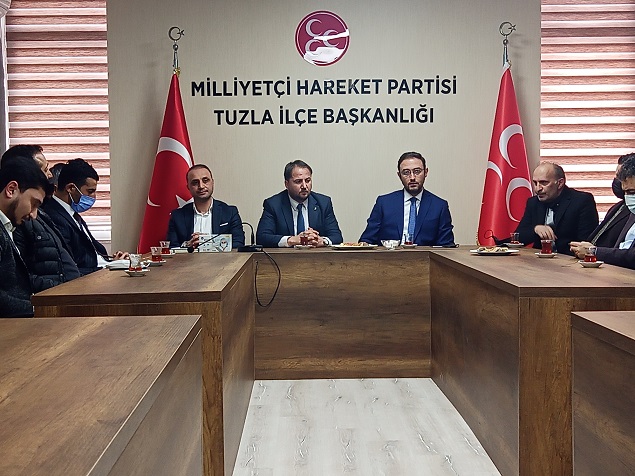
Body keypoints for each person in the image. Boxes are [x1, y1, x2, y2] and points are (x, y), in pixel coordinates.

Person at [2, 146, 81, 292]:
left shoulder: (34, 214)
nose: (50, 175)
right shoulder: (17, 220)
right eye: (44, 170)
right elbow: (17, 282)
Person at [41, 158, 128, 275]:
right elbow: (70, 268)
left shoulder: (72, 213)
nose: (94, 197)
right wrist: (110, 267)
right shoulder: (54, 216)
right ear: (71, 188)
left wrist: (114, 262)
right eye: (90, 191)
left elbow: (93, 253)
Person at [359, 151, 454, 246]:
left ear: (426, 172)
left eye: (417, 171)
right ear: (399, 175)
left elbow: (446, 246)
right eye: (406, 173)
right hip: (390, 255)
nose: (412, 177)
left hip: (425, 255)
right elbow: (367, 240)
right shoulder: (384, 203)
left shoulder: (439, 206)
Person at [0, 157, 52, 317]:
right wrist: (38, 309)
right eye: (34, 204)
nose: (34, 215)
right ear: (11, 189)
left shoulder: (7, 227)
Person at [515, 162, 598, 255]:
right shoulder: (533, 202)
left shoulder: (582, 201)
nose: (537, 189)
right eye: (535, 183)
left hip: (570, 259)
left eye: (544, 183)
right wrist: (536, 229)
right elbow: (517, 238)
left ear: (560, 183)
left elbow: (587, 243)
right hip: (539, 259)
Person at [256, 160, 343, 247]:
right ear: (287, 184)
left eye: (308, 180)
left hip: (316, 255)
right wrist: (292, 240)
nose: (304, 186)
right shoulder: (273, 204)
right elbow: (262, 238)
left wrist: (322, 241)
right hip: (286, 255)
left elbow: (337, 237)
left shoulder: (323, 203)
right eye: (298, 181)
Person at [571, 153, 635, 268]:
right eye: (625, 192)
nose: (628, 197)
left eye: (632, 192)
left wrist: (595, 252)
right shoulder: (624, 209)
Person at [167, 164, 245, 250]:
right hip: (188, 259)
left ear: (212, 182)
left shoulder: (230, 212)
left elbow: (238, 243)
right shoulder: (177, 216)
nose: (201, 186)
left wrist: (208, 243)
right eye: (195, 182)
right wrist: (188, 245)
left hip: (221, 259)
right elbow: (172, 247)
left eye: (205, 180)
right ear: (188, 187)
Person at [586, 153, 632, 247]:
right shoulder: (617, 207)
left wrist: (595, 251)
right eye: (618, 176)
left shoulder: (632, 209)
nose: (618, 181)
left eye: (621, 177)